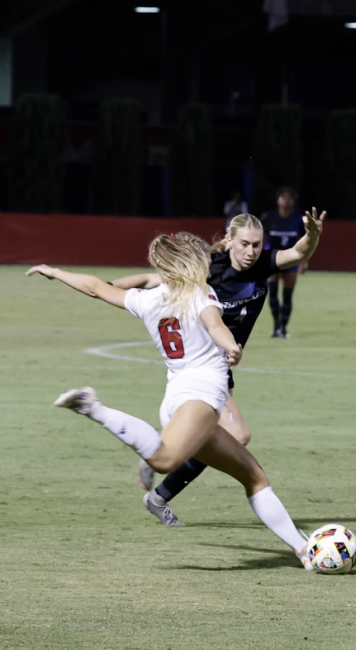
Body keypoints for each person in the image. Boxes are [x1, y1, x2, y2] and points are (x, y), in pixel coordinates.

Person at [25, 232, 315, 569]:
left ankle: (303, 550)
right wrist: (230, 346)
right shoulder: (199, 293)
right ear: (191, 260)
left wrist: (57, 272)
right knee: (164, 460)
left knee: (254, 477)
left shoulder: (149, 298)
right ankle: (93, 406)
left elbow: (95, 287)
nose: (211, 259)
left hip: (179, 398)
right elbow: (215, 323)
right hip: (201, 397)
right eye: (205, 255)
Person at [108, 209, 326, 525]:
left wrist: (314, 234)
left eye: (256, 244)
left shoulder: (261, 265)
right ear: (229, 240)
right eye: (244, 244)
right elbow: (149, 279)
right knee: (236, 434)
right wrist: (108, 286)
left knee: (225, 436)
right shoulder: (209, 268)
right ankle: (161, 475)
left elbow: (298, 251)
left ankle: (161, 471)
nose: (251, 252)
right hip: (202, 365)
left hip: (223, 367)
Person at [261, 187, 306, 338]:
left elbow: (306, 241)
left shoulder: (298, 219)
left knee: (287, 295)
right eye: (283, 197)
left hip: (291, 259)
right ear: (278, 200)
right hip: (272, 259)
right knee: (272, 294)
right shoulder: (269, 217)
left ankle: (283, 328)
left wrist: (304, 261)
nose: (286, 200)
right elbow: (258, 237)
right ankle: (276, 326)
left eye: (289, 197)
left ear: (293, 201)